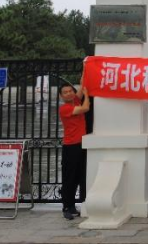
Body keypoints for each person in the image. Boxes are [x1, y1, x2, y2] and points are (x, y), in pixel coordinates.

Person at [59, 82, 90, 220]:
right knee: (69, 178)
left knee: (77, 177)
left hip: (80, 145)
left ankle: (72, 206)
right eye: (65, 92)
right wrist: (87, 95)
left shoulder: (75, 101)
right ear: (61, 96)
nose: (68, 93)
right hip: (70, 146)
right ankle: (66, 207)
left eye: (70, 91)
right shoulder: (65, 108)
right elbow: (85, 108)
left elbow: (82, 85)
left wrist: (85, 70)